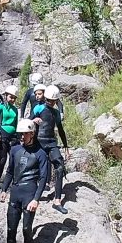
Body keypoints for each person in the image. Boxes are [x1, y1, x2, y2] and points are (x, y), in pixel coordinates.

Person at [0, 118, 49, 243]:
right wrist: (4, 189)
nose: (21, 137)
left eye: (25, 134)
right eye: (20, 134)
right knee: (11, 232)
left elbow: (43, 178)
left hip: (29, 195)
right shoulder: (15, 150)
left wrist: (36, 199)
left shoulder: (41, 153)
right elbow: (10, 171)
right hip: (15, 194)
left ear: (32, 134)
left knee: (27, 230)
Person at [30, 84, 70, 214]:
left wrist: (65, 146)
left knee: (59, 166)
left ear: (56, 101)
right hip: (39, 142)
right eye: (48, 100)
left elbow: (61, 130)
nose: (50, 102)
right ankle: (33, 194)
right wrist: (33, 120)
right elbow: (28, 121)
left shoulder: (56, 112)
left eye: (52, 101)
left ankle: (57, 201)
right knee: (38, 169)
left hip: (51, 142)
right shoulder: (38, 108)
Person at [0, 85, 19, 189]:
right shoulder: (0, 106)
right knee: (3, 159)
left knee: (15, 159)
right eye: (11, 97)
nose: (12, 99)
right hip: (2, 135)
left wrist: (18, 136)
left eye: (14, 98)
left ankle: (14, 180)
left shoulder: (15, 109)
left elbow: (16, 124)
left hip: (13, 136)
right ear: (6, 96)